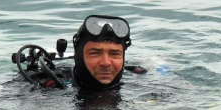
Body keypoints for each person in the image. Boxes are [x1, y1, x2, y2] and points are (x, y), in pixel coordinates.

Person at [12, 14, 144, 91]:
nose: (105, 63)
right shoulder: (49, 85)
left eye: (115, 54)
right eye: (95, 53)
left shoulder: (137, 81)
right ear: (78, 54)